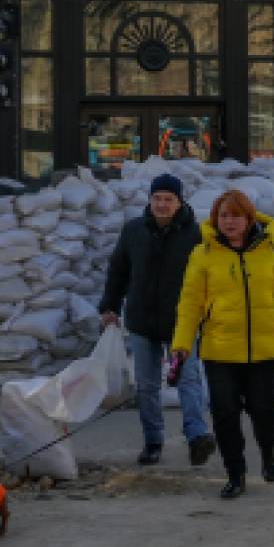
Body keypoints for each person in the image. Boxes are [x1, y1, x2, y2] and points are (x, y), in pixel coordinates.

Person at [172, 190, 274, 500]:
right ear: (215, 219)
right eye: (223, 216)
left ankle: (268, 453)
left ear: (249, 218)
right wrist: (181, 344)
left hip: (263, 351)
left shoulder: (272, 250)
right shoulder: (203, 254)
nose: (230, 222)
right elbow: (190, 303)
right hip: (219, 350)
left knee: (263, 411)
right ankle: (235, 473)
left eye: (236, 215)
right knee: (225, 414)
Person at [99, 174, 214, 468]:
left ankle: (197, 437)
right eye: (157, 198)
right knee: (147, 386)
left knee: (189, 379)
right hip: (141, 321)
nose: (162, 204)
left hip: (182, 323)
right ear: (149, 200)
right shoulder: (133, 231)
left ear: (180, 202)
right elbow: (118, 272)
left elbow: (208, 280)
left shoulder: (197, 236)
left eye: (168, 199)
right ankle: (153, 440)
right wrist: (109, 306)